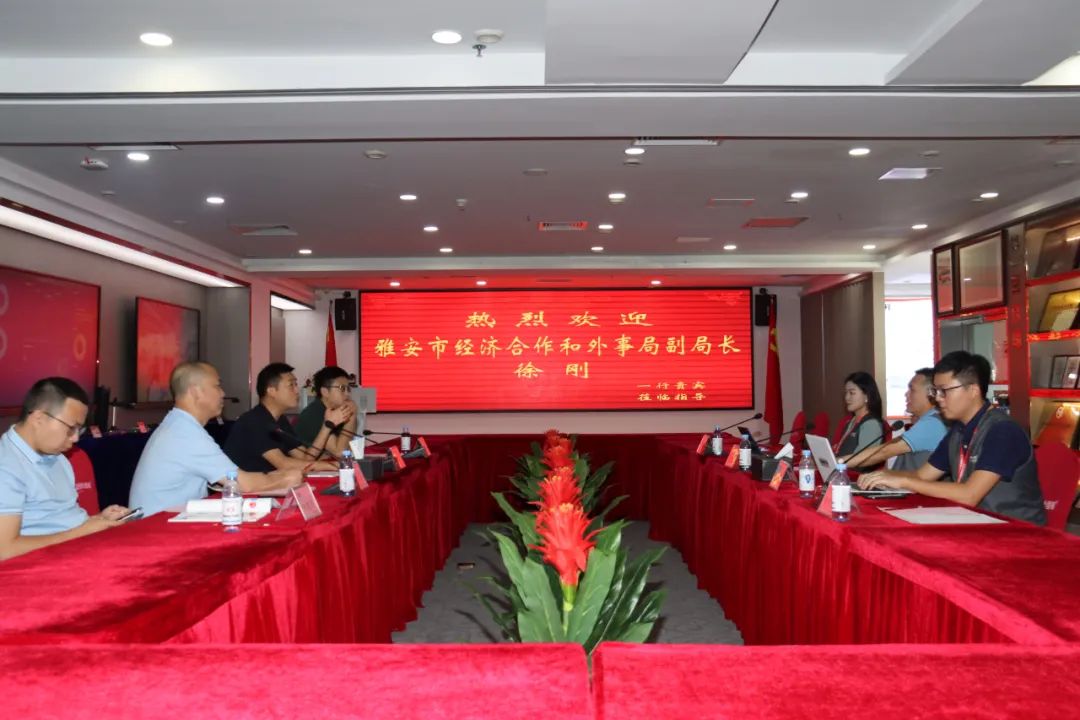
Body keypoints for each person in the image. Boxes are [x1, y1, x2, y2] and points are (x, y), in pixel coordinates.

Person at [860, 351, 1046, 525]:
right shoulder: (958, 430)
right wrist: (884, 477)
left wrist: (904, 482)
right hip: (974, 523)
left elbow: (969, 495)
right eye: (935, 391)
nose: (938, 398)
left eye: (944, 391)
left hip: (1015, 530)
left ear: (973, 390)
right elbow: (922, 476)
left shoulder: (1002, 431)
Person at [130, 362, 304, 517]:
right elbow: (242, 483)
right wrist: (284, 478)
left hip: (171, 519)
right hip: (158, 528)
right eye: (217, 386)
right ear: (195, 392)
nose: (223, 393)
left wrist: (280, 476)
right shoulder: (185, 433)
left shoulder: (179, 425)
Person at [0, 378, 131, 560]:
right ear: (38, 418)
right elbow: (5, 550)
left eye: (80, 430)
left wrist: (98, 520)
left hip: (76, 552)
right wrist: (81, 532)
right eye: (71, 428)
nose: (76, 438)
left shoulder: (58, 458)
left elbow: (61, 520)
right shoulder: (6, 465)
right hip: (43, 565)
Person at [224, 362, 339, 473]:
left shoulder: (280, 419)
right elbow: (283, 464)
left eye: (296, 384)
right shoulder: (254, 421)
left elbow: (305, 457)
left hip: (270, 482)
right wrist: (325, 465)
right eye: (291, 385)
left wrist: (327, 426)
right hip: (242, 485)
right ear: (271, 391)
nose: (297, 390)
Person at [843, 368, 947, 471]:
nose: (906, 394)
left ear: (931, 393)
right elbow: (888, 446)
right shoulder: (928, 421)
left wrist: (840, 463)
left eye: (912, 390)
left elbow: (884, 452)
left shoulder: (932, 424)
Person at [294, 366, 357, 457]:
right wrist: (352, 415)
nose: (347, 393)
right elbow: (339, 452)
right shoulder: (314, 413)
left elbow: (349, 448)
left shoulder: (336, 412)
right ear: (325, 392)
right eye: (342, 388)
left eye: (348, 389)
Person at [834, 371, 887, 460]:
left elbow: (860, 460)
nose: (847, 397)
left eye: (852, 393)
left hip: (853, 469)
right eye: (846, 393)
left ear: (867, 396)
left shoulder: (871, 425)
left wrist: (835, 462)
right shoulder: (851, 422)